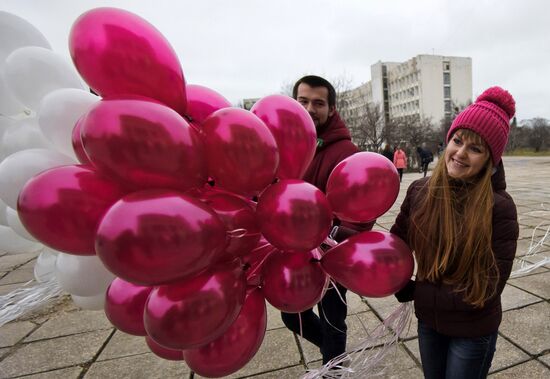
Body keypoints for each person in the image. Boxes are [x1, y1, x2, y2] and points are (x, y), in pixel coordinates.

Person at [391, 87, 519, 378]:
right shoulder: (420, 191)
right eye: (457, 141)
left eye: (475, 148)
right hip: (429, 323)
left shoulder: (499, 207)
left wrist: (421, 292)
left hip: (472, 331)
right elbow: (395, 245)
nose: (460, 153)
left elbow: (488, 287)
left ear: (491, 160)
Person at [282, 75, 372, 364]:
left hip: (331, 253)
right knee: (291, 315)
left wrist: (334, 236)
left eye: (318, 103)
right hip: (294, 253)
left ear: (332, 109)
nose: (310, 109)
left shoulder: (346, 152)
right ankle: (335, 356)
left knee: (333, 318)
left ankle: (332, 367)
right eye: (303, 101)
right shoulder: (287, 146)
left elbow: (362, 212)